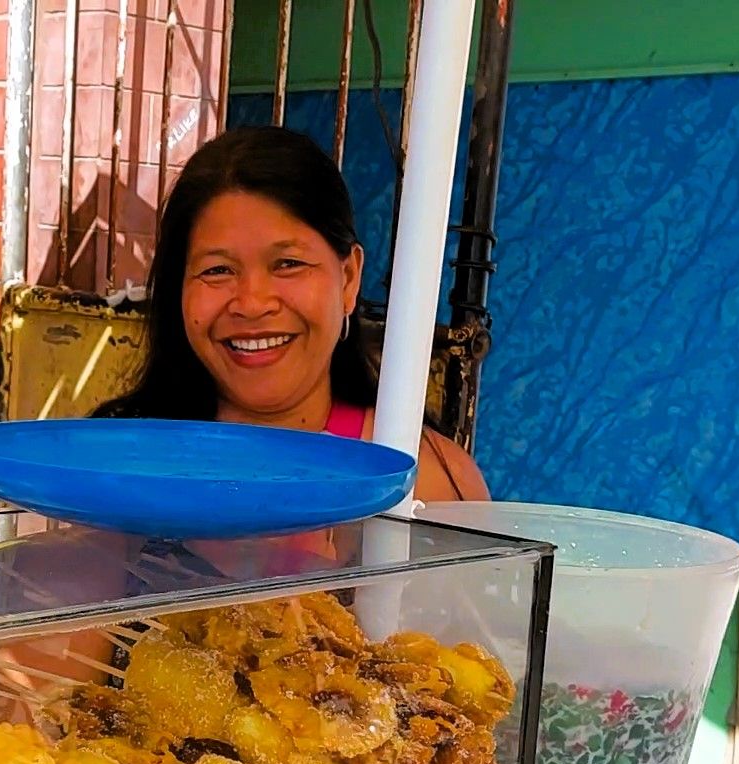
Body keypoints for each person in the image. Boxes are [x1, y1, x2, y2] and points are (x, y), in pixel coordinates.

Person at [92, 126, 489, 505]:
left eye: (288, 263)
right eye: (217, 270)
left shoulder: (430, 481)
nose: (251, 303)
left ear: (348, 278)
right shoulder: (118, 467)